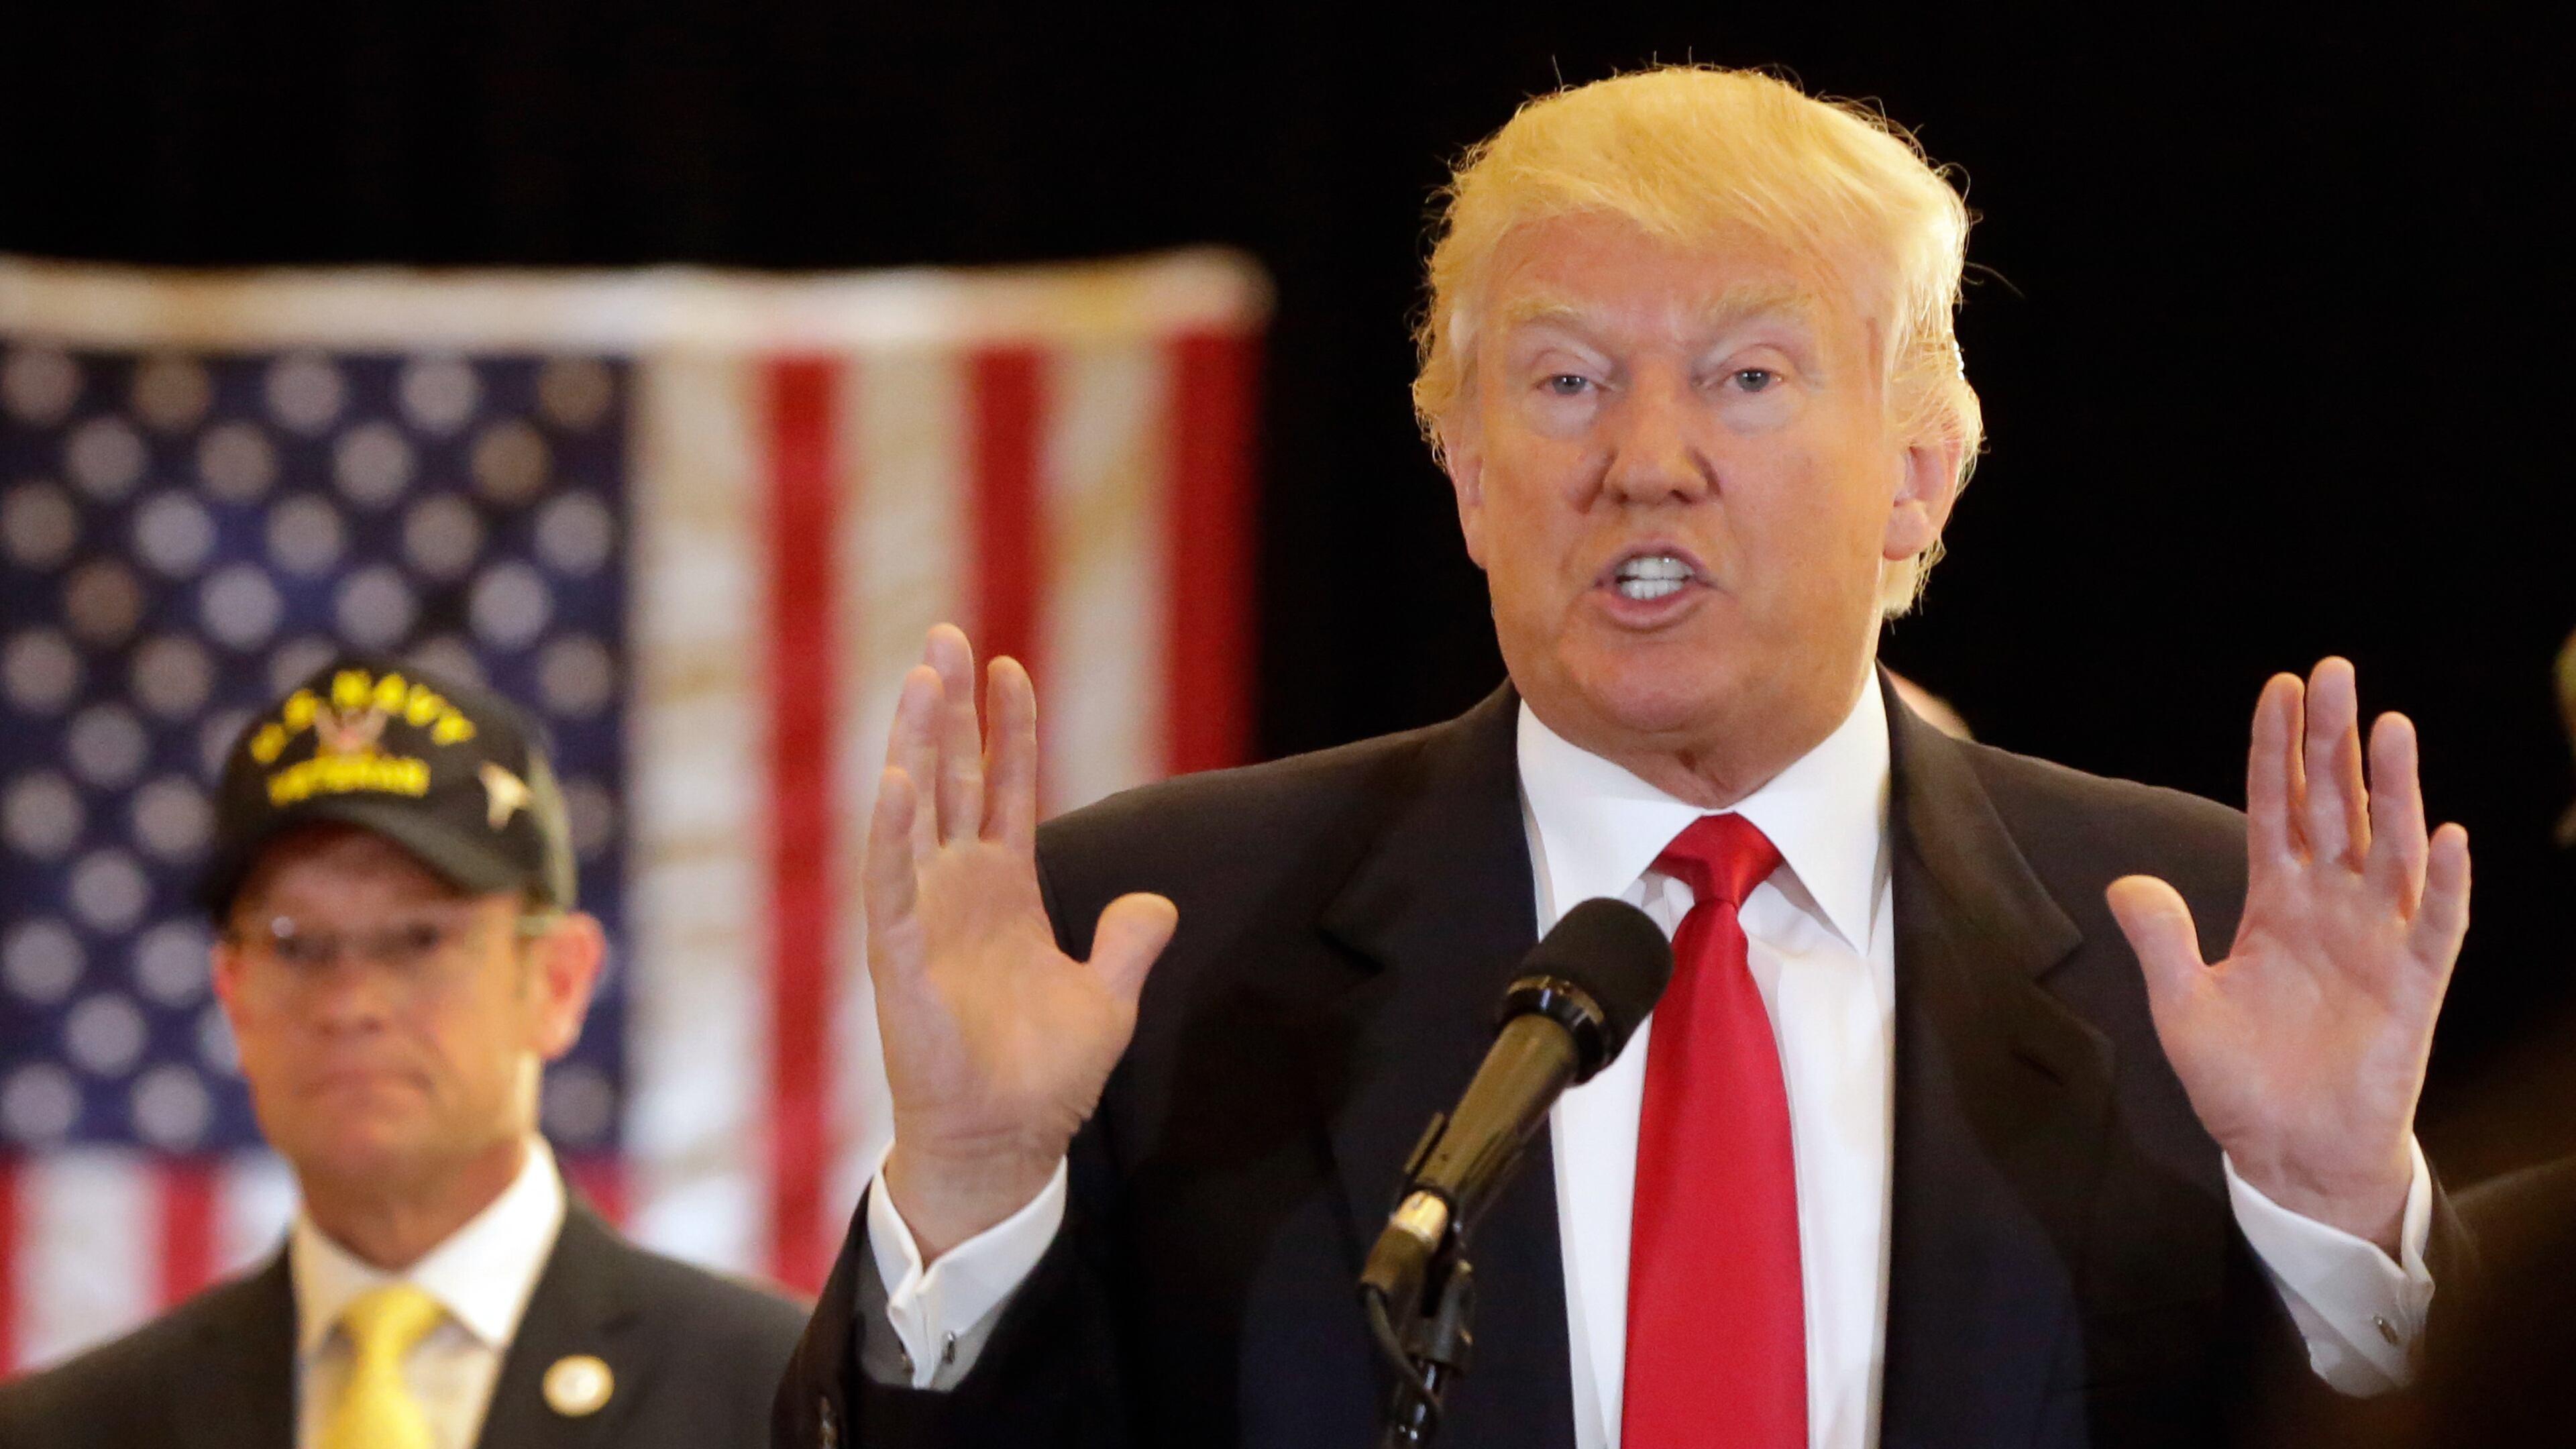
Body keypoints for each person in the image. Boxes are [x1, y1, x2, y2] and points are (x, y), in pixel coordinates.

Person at [773, 66, 2473, 1449]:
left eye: (1743, 375)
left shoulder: (2184, 940)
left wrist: (2336, 1219)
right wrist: (973, 1195)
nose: (1643, 459)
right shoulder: (1162, 941)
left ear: (1916, 474)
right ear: (1465, 477)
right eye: (1566, 379)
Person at [0, 655, 805, 1449]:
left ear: (557, 982)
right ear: (234, 991)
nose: (351, 1005)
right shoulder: (72, 1429)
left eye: (420, 939)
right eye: (296, 945)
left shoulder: (775, 1399)